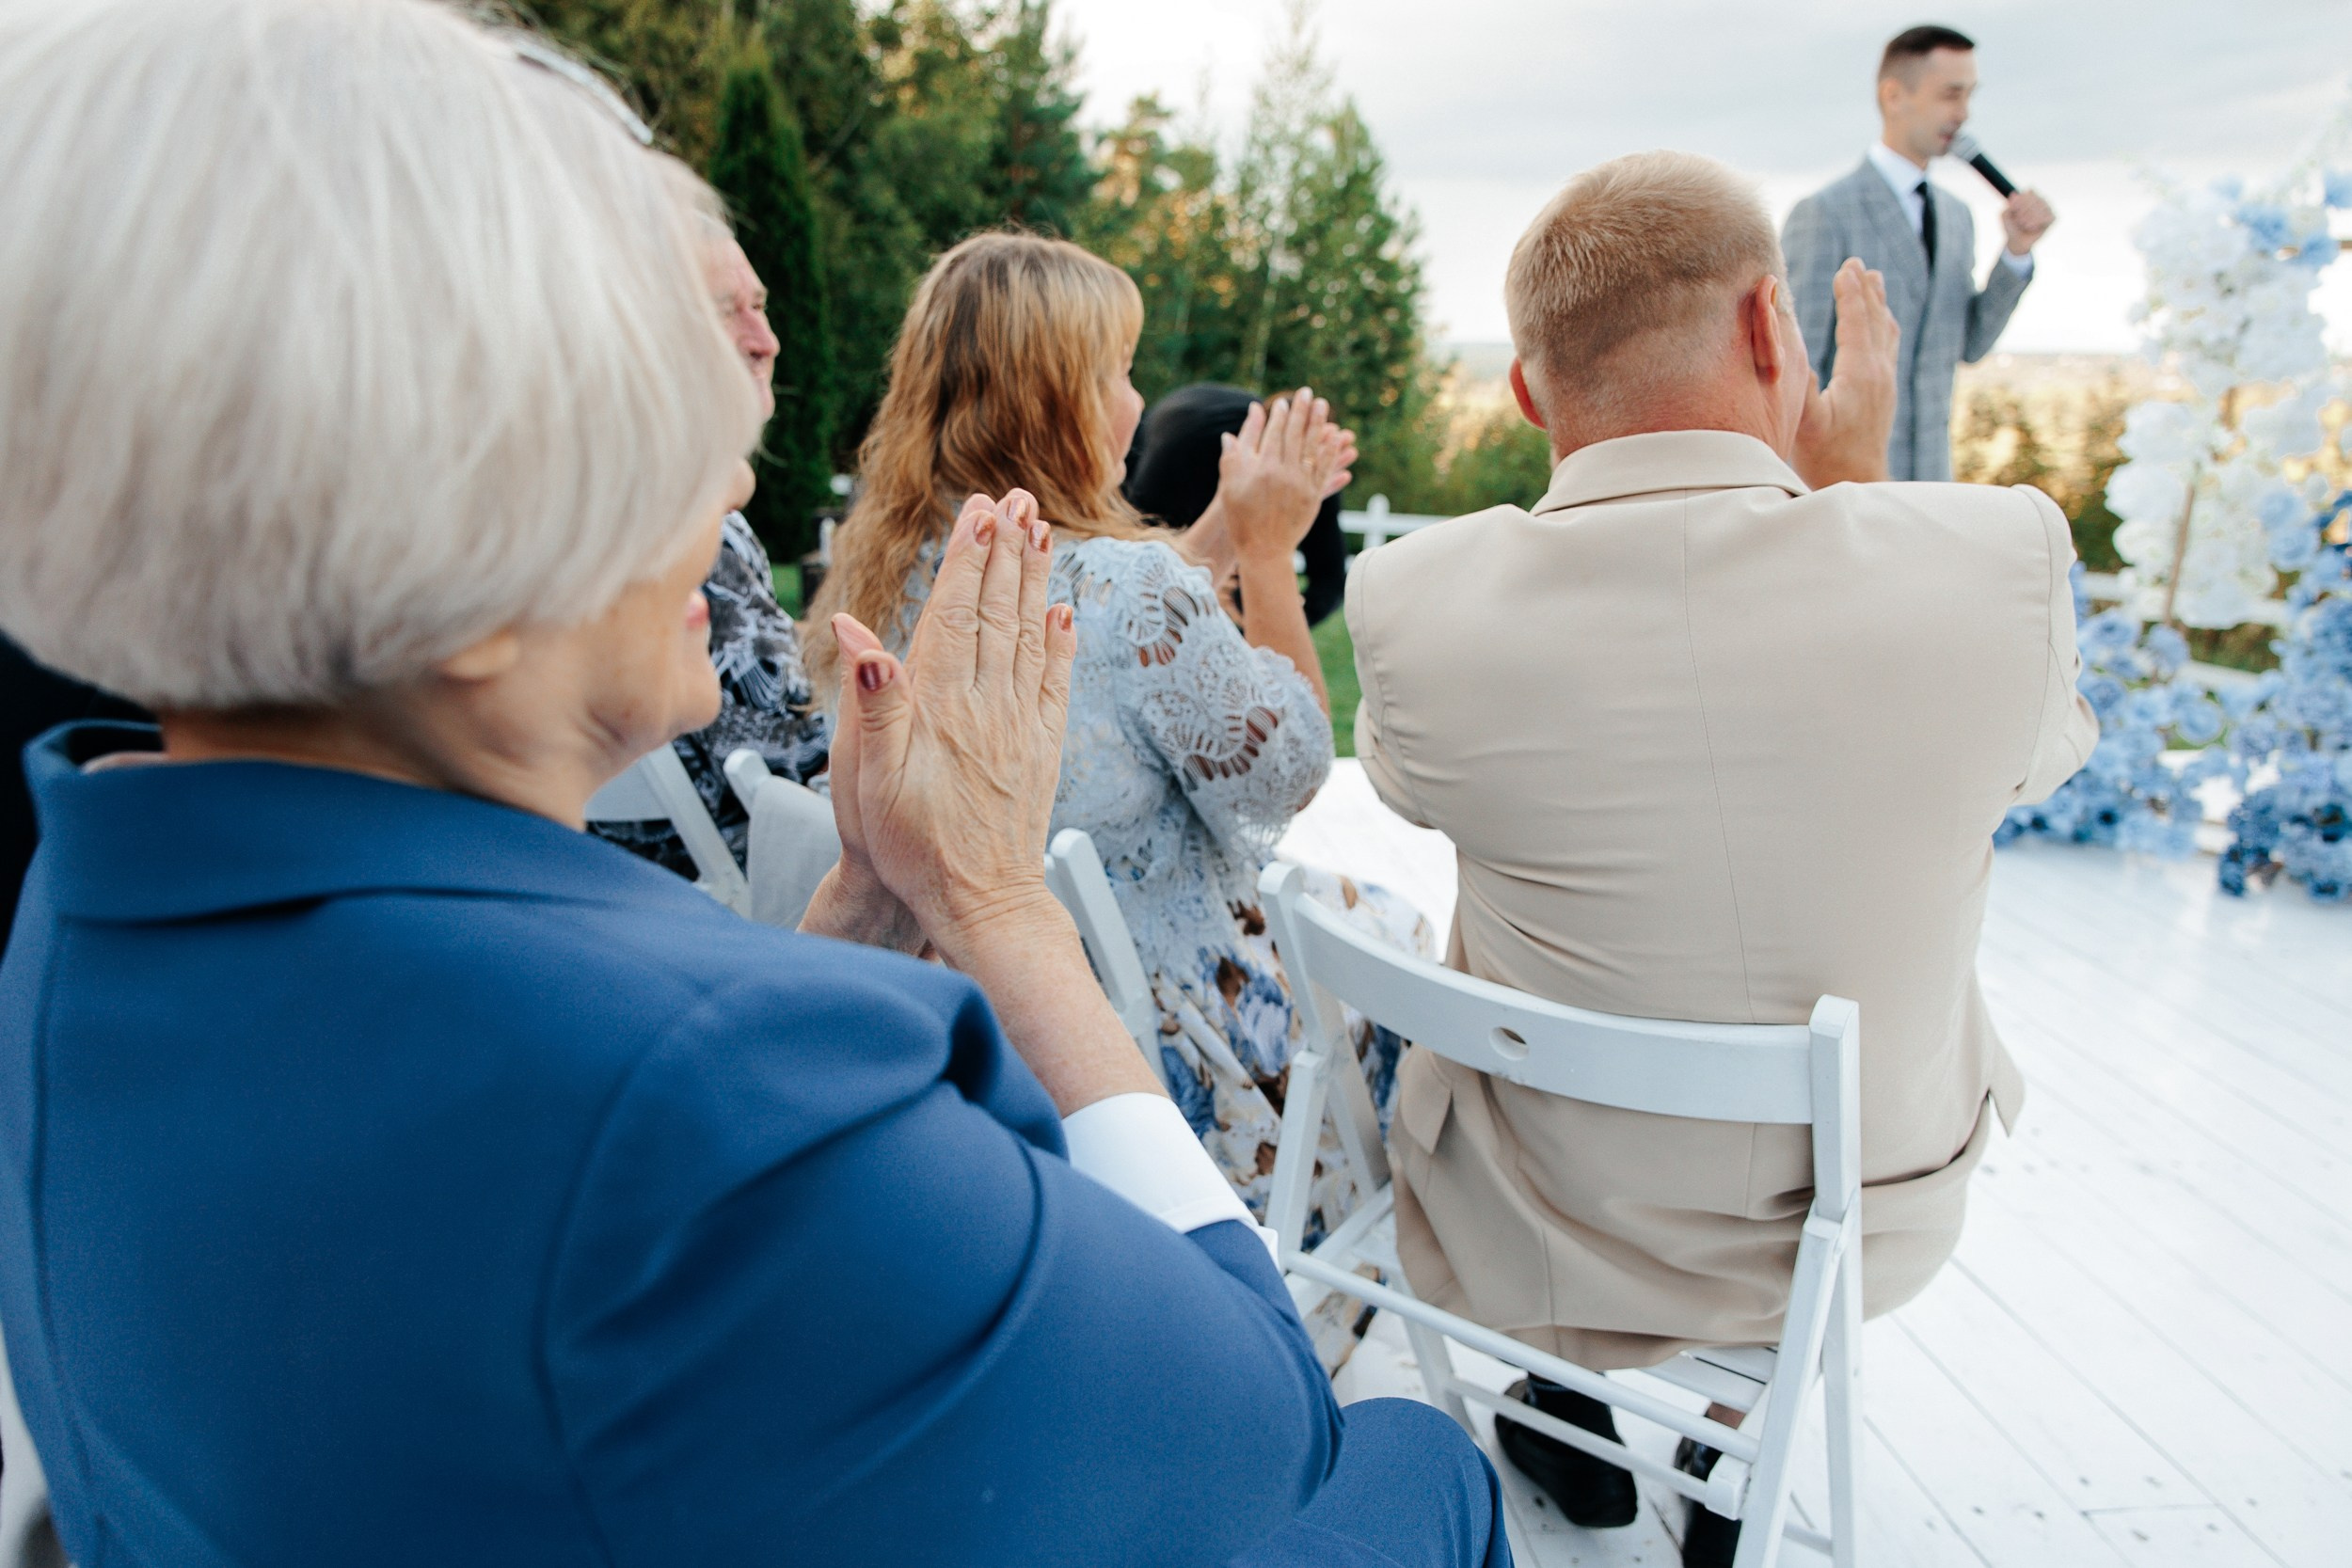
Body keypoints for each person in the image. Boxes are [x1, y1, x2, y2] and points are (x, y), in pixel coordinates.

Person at [0, 6, 1511, 1567]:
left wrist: (864, 890)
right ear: (472, 553)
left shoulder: (88, 910)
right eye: (667, 440)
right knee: (1424, 1460)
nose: (735, 495)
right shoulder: (711, 1114)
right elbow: (1263, 1415)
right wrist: (992, 902)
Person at [1344, 151, 2096, 1567]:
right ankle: (1730, 1457)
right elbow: (2025, 762)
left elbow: (1402, 782)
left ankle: (1561, 1393)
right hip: (1862, 1214)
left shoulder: (1411, 600)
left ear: (1526, 398)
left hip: (1540, 1217)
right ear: (1772, 330)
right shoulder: (1997, 560)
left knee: (1517, 899)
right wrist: (1857, 496)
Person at [803, 235, 1435, 1270]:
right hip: (1158, 1037)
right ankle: (1361, 1275)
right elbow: (1291, 769)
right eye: (1114, 372)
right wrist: (1271, 552)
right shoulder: (1129, 589)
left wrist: (1226, 524)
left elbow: (1097, 637)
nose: (1135, 403)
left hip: (972, 1015)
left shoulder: (892, 564)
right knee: (1407, 948)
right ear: (1052, 399)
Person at [590, 218, 831, 879]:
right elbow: (791, 753)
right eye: (729, 314)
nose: (767, 341)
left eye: (761, 307)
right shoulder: (689, 524)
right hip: (710, 890)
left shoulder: (595, 505)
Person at [1781, 24, 2055, 481]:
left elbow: (1970, 344)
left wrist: (2016, 253)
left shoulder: (1956, 217)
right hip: (1843, 487)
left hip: (1931, 481)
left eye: (1969, 95)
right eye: (1951, 94)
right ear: (1894, 96)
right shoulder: (1825, 213)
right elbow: (1796, 370)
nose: (1964, 113)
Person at [1125, 383, 1355, 626]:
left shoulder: (1308, 467)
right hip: (1163, 459)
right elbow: (1137, 547)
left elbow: (1330, 579)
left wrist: (1260, 627)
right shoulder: (1185, 451)